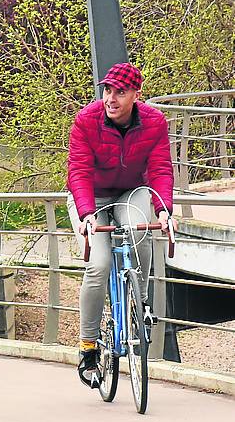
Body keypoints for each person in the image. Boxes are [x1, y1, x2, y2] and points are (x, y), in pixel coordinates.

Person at [66, 62, 175, 387]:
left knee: (139, 227)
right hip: (91, 196)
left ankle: (140, 303)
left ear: (136, 95)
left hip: (131, 191)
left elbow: (160, 169)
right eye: (107, 90)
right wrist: (86, 213)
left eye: (120, 92)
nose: (111, 98)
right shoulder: (87, 120)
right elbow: (79, 171)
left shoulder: (154, 122)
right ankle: (87, 348)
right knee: (98, 265)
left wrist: (164, 210)